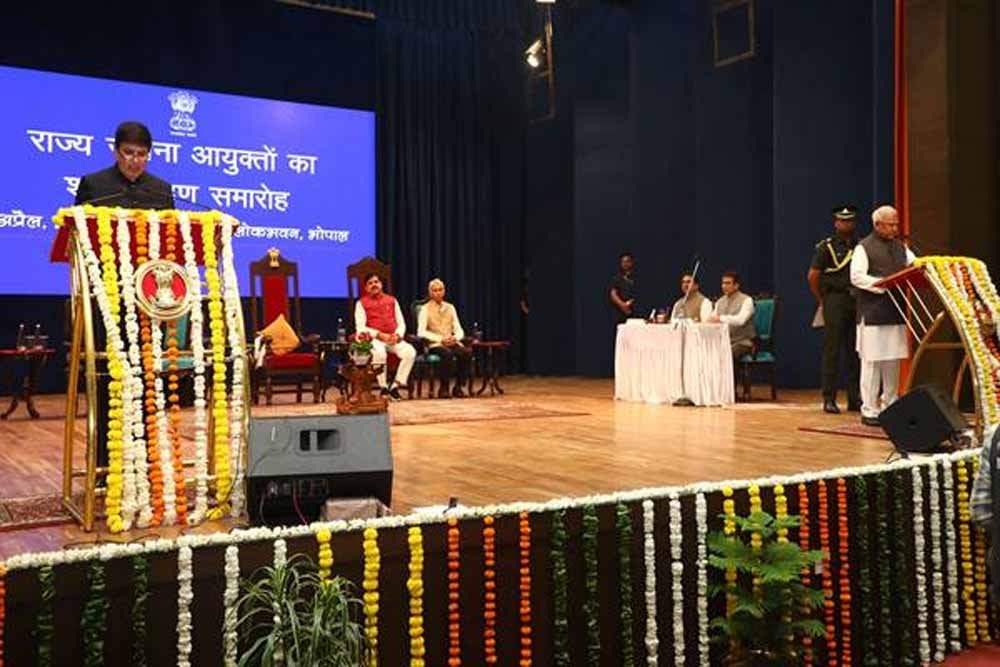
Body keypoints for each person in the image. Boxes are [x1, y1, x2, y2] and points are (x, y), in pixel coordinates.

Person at [849, 205, 915, 426]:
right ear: (877, 225)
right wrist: (882, 284)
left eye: (896, 224)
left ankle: (890, 406)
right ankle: (869, 410)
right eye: (890, 225)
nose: (895, 228)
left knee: (892, 361)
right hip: (873, 313)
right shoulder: (863, 247)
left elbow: (914, 265)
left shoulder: (900, 247)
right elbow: (857, 277)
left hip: (895, 311)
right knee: (872, 362)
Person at [808, 205, 862, 414]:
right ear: (836, 223)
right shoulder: (826, 247)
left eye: (849, 221)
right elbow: (813, 276)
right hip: (835, 299)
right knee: (832, 351)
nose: (846, 224)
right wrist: (822, 299)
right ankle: (829, 398)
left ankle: (854, 397)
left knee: (854, 351)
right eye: (842, 220)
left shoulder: (860, 246)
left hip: (856, 300)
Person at [74, 121, 175, 209]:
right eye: (128, 153)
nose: (135, 160)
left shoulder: (162, 190)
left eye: (141, 154)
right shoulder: (92, 185)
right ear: (116, 152)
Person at [354, 273, 416, 400]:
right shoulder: (361, 303)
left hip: (392, 338)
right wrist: (379, 335)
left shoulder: (392, 300)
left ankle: (395, 386)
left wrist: (398, 335)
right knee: (380, 353)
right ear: (366, 288)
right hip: (375, 339)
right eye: (370, 283)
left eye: (376, 282)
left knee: (410, 352)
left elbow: (401, 323)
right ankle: (383, 387)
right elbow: (360, 327)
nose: (374, 285)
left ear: (381, 284)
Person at [418, 278, 472, 398]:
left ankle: (458, 387)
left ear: (444, 291)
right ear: (430, 293)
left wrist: (455, 338)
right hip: (435, 344)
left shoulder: (450, 307)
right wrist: (440, 339)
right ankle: (444, 388)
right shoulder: (424, 309)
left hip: (451, 342)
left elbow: (459, 329)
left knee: (466, 353)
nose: (438, 293)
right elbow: (421, 332)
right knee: (447, 354)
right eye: (435, 290)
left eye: (440, 290)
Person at [707, 271, 756, 361]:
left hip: (743, 342)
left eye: (728, 283)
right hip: (724, 342)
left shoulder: (747, 300)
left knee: (725, 353)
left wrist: (720, 318)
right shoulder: (719, 302)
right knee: (708, 351)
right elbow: (711, 319)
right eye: (723, 283)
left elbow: (741, 320)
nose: (724, 286)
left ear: (736, 285)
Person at [609, 252, 639, 325]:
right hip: (620, 312)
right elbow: (613, 294)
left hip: (635, 311)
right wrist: (623, 305)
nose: (625, 264)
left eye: (627, 261)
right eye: (623, 262)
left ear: (632, 262)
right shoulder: (617, 278)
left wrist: (632, 302)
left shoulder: (637, 278)